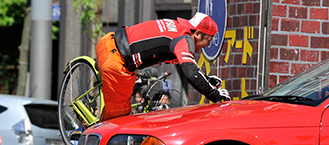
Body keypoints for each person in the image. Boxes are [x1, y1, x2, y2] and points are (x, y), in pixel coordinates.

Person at [96, 12, 230, 122]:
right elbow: (191, 73)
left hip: (109, 41)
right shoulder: (183, 39)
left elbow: (191, 67)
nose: (207, 46)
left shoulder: (176, 26)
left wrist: (206, 80)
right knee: (117, 120)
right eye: (209, 40)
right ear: (198, 34)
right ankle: (89, 142)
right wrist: (216, 96)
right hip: (115, 63)